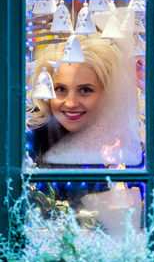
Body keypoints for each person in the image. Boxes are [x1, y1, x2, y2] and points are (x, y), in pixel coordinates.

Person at [27, 34, 143, 167]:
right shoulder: (27, 144)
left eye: (85, 90)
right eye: (60, 89)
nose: (71, 103)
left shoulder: (132, 147)